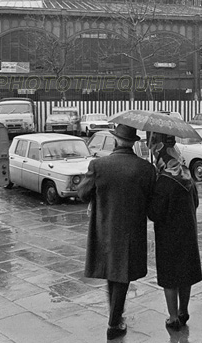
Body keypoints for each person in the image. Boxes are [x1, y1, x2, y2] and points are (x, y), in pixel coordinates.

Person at [78, 124, 156, 340]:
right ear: (133, 142)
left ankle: (116, 317)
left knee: (113, 272)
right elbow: (151, 203)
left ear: (115, 140)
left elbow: (83, 193)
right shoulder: (145, 168)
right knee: (121, 274)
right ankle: (114, 322)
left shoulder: (98, 165)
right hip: (132, 230)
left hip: (105, 228)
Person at [148, 134, 202, 331]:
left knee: (170, 276)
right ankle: (183, 311)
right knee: (185, 274)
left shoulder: (163, 181)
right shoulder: (187, 174)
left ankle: (173, 318)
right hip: (188, 232)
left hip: (169, 236)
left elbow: (154, 213)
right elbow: (195, 203)